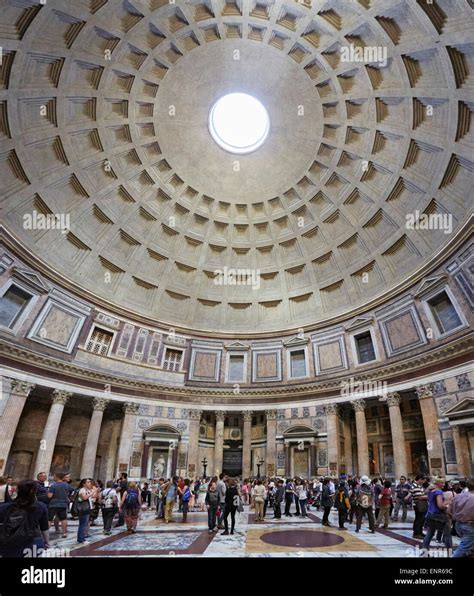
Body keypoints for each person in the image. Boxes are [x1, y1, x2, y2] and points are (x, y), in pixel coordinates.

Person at [0, 479, 50, 558]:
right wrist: (46, 541)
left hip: (8, 542)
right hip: (32, 541)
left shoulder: (5, 507)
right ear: (34, 491)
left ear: (17, 490)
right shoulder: (40, 506)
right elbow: (44, 527)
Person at [448, 478, 474, 558]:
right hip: (469, 526)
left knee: (469, 547)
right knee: (463, 548)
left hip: (458, 525)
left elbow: (448, 511)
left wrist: (456, 518)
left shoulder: (458, 496)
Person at [421, 478, 448, 553]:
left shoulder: (431, 491)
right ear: (437, 483)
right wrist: (447, 506)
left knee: (430, 533)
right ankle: (450, 551)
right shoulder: (438, 492)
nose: (444, 484)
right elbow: (440, 505)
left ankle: (424, 551)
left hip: (430, 513)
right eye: (442, 483)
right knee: (446, 532)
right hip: (436, 515)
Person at [47, 472, 70, 538]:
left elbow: (49, 496)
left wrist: (48, 492)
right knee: (63, 519)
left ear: (57, 477)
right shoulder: (66, 485)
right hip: (63, 504)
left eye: (54, 476)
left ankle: (46, 532)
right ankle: (64, 533)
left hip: (54, 504)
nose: (53, 478)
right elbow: (71, 491)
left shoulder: (53, 485)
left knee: (49, 519)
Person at [435, 481, 455, 548]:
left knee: (440, 526)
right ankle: (447, 544)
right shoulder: (453, 493)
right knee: (448, 529)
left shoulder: (440, 493)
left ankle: (438, 538)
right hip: (450, 512)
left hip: (441, 511)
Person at [75, 478, 93, 544]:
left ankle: (82, 538)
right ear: (83, 484)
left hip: (87, 509)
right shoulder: (82, 490)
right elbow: (84, 498)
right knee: (82, 524)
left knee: (84, 524)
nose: (90, 483)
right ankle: (81, 539)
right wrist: (92, 492)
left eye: (90, 482)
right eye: (88, 482)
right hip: (83, 509)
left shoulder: (86, 490)